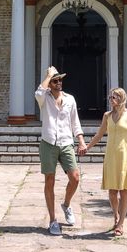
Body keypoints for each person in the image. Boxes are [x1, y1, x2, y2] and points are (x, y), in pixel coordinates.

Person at [79, 87, 127, 236]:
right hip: (111, 155)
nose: (111, 99)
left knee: (124, 191)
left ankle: (121, 224)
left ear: (122, 98)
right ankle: (115, 215)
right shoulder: (107, 115)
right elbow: (99, 135)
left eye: (115, 97)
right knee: (112, 192)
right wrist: (87, 147)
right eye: (111, 96)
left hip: (125, 156)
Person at [35, 65, 85, 236]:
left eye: (60, 80)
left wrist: (81, 140)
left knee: (75, 178)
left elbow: (75, 121)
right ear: (50, 83)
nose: (58, 83)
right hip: (48, 143)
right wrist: (48, 76)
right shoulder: (44, 98)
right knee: (50, 181)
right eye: (55, 81)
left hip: (66, 143)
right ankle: (52, 220)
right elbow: (38, 93)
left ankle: (66, 204)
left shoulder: (70, 99)